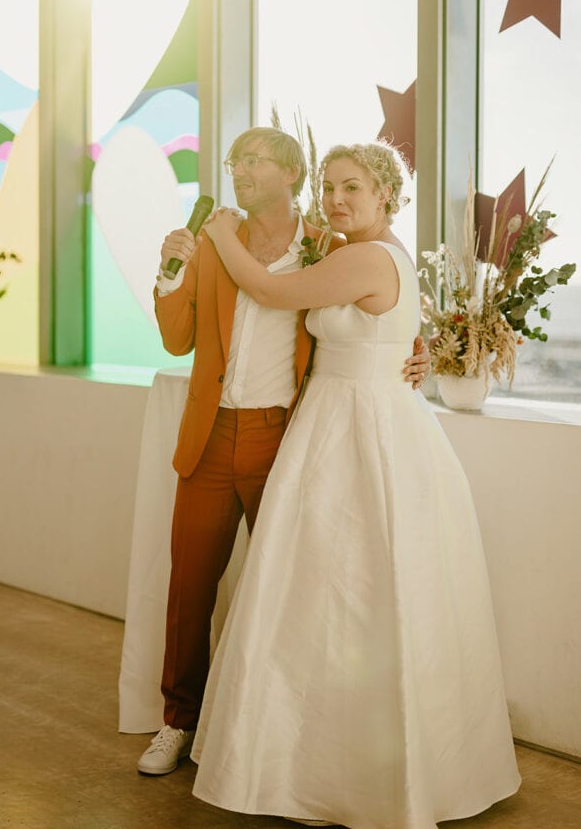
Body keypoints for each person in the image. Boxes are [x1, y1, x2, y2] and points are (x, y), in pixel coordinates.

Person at [191, 142, 521, 828]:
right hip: (354, 418)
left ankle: (335, 770)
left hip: (355, 429)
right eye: (330, 187)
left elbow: (272, 290)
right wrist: (417, 350)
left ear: (385, 195)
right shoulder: (383, 251)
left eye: (353, 188)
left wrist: (221, 233)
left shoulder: (365, 257)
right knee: (346, 592)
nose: (337, 200)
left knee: (342, 588)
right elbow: (391, 330)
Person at [136, 128, 430, 776]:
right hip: (210, 439)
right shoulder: (215, 245)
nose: (237, 170)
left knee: (289, 592)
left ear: (290, 173)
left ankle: (277, 735)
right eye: (233, 161)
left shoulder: (328, 246)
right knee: (189, 590)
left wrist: (415, 342)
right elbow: (177, 339)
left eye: (251, 160)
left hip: (289, 442)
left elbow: (383, 299)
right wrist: (168, 271)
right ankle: (177, 723)